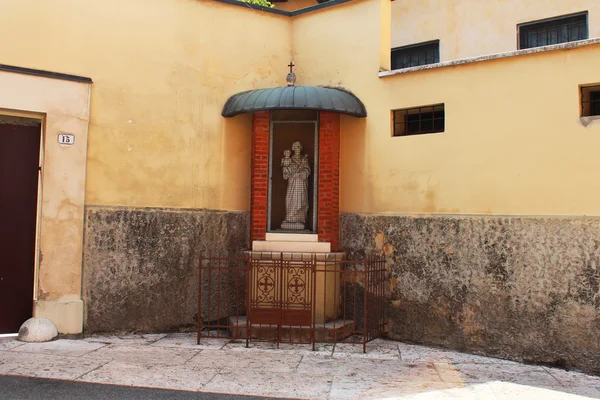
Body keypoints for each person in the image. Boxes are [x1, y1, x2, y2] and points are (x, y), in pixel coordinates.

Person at [282, 141, 310, 229]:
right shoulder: (290, 159)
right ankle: (290, 217)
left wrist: (301, 173)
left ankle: (299, 219)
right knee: (290, 198)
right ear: (293, 148)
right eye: (295, 146)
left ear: (301, 148)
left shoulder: (304, 159)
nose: (297, 148)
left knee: (301, 199)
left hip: (301, 183)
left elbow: (307, 170)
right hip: (292, 182)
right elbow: (286, 172)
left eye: (299, 146)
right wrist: (288, 170)